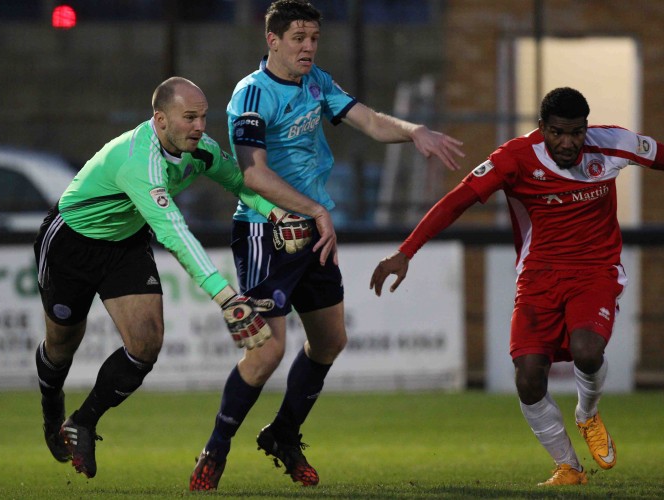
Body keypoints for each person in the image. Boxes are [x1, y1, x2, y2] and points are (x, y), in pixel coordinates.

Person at [189, 0, 465, 491]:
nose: (308, 47)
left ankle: (283, 435)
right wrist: (315, 210)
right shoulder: (250, 94)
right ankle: (216, 448)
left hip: (314, 231)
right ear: (272, 41)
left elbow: (374, 122)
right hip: (264, 231)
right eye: (298, 38)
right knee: (266, 352)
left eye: (314, 38)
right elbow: (253, 173)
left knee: (330, 340)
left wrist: (413, 130)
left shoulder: (318, 83)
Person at [370, 87, 664, 486]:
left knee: (587, 351)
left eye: (576, 132)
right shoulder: (513, 159)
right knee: (528, 376)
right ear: (542, 128)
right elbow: (455, 201)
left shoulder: (611, 142)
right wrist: (406, 252)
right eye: (558, 132)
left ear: (586, 127)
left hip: (595, 271)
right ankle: (568, 467)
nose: (568, 142)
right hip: (538, 276)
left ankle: (587, 414)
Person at [33, 76, 310, 479]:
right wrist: (227, 297)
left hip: (125, 244)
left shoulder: (202, 150)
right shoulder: (139, 160)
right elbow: (172, 232)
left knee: (146, 343)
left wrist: (275, 213)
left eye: (203, 117)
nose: (200, 126)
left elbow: (241, 183)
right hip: (71, 244)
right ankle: (50, 406)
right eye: (190, 118)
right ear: (160, 120)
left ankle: (83, 422)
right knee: (61, 345)